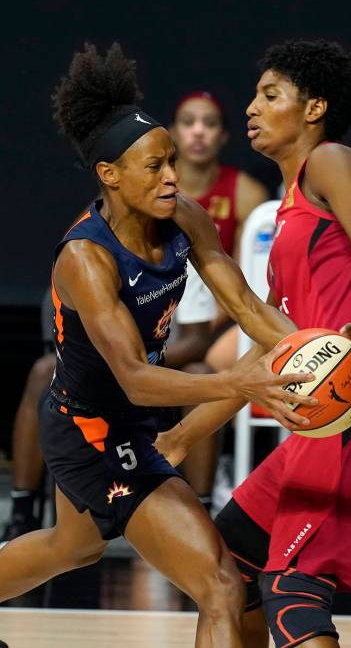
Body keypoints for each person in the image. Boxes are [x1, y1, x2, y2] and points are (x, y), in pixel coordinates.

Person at [0, 42, 316, 648]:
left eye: (172, 160)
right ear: (109, 175)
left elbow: (247, 309)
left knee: (75, 547)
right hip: (90, 429)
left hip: (128, 420)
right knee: (220, 585)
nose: (173, 175)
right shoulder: (86, 259)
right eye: (154, 166)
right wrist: (238, 383)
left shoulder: (186, 216)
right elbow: (134, 378)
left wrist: (317, 347)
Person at [155, 39, 351, 647]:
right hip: (331, 409)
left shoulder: (331, 161)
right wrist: (179, 436)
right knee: (223, 564)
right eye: (255, 95)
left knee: (293, 588)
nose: (252, 107)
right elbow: (265, 354)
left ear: (314, 108)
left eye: (270, 94)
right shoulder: (286, 215)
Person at [165, 91, 268, 510]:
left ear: (223, 136)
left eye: (208, 123)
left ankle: (203, 493)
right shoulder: (152, 184)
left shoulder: (246, 194)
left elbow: (248, 283)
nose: (198, 132)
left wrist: (200, 332)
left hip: (220, 318)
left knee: (207, 369)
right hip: (158, 312)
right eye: (188, 121)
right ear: (172, 132)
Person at [1, 288, 55, 541]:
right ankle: (22, 512)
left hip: (148, 365)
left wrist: (136, 366)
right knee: (43, 372)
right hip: (100, 364)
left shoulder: (179, 264)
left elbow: (195, 341)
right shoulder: (85, 257)